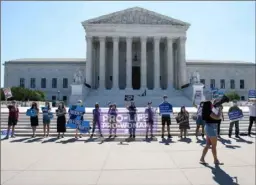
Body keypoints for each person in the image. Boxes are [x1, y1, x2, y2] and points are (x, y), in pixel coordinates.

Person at [200, 99, 223, 165]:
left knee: (208, 144)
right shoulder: (209, 112)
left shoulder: (208, 111)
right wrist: (220, 109)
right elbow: (218, 117)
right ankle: (216, 160)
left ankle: (202, 158)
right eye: (211, 104)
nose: (212, 105)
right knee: (214, 146)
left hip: (209, 127)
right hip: (211, 128)